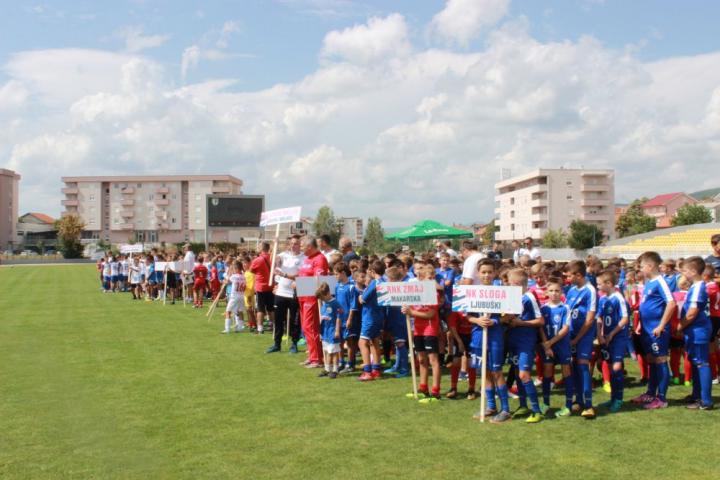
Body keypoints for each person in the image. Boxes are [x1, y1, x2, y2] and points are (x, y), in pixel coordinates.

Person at [467, 259, 511, 423]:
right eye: (483, 272)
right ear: (478, 273)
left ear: (495, 273)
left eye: (489, 272)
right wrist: (477, 321)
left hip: (495, 337)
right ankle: (491, 406)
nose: (486, 275)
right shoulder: (472, 292)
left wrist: (495, 322)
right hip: (478, 336)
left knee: (496, 371)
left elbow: (509, 315)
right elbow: (468, 315)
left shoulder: (502, 291)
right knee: (484, 372)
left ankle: (505, 409)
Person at [631, 251, 676, 410]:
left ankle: (662, 398)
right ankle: (650, 393)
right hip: (647, 329)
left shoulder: (660, 282)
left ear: (650, 266)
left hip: (657, 330)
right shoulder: (649, 282)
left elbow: (671, 304)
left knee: (660, 360)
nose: (640, 270)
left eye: (642, 266)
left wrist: (661, 325)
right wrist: (640, 324)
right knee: (651, 360)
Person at [504, 268, 545, 423]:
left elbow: (540, 321)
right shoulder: (514, 297)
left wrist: (520, 323)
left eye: (510, 283)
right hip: (513, 340)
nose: (508, 285)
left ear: (517, 283)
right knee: (516, 374)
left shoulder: (529, 297)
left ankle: (537, 410)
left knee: (524, 375)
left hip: (525, 342)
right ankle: (523, 405)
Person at [402, 264, 442, 404]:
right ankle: (423, 387)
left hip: (430, 329)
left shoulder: (435, 294)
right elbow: (410, 308)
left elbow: (430, 314)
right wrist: (406, 309)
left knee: (433, 361)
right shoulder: (416, 293)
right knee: (421, 360)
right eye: (428, 278)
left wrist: (412, 312)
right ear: (421, 279)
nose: (431, 281)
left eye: (433, 278)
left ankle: (436, 391)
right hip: (418, 329)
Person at [678, 256, 714, 409]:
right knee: (695, 362)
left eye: (685, 270)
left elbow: (692, 313)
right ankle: (696, 395)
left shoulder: (699, 287)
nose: (683, 273)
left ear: (693, 271)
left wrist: (680, 326)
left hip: (698, 330)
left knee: (701, 362)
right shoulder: (695, 286)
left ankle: (705, 401)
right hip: (693, 329)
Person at [565, 260, 598, 419]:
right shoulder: (571, 290)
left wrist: (577, 338)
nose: (567, 278)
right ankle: (578, 399)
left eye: (570, 275)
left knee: (583, 365)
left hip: (584, 336)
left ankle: (589, 405)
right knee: (573, 367)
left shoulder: (590, 290)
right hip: (571, 335)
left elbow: (590, 319)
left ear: (578, 275)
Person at [596, 269, 630, 413]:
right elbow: (599, 317)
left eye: (599, 284)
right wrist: (600, 334)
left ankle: (619, 399)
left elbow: (624, 318)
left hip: (618, 338)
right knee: (610, 368)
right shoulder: (603, 299)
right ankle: (613, 398)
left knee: (616, 368)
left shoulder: (619, 298)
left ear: (608, 283)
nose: (598, 287)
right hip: (606, 338)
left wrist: (612, 334)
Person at [539, 278, 574, 417]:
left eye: (557, 291)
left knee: (566, 372)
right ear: (547, 292)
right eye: (551, 291)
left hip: (562, 345)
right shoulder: (543, 308)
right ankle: (546, 403)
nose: (554, 293)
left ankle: (568, 405)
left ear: (561, 292)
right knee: (547, 372)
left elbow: (565, 328)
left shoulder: (565, 307)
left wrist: (550, 342)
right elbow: (540, 327)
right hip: (548, 346)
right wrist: (545, 344)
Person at [297, 237, 330, 368]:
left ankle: (317, 359)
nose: (301, 249)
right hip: (302, 296)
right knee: (306, 327)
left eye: (302, 246)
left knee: (311, 327)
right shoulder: (307, 259)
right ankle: (311, 356)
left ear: (309, 246)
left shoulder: (320, 259)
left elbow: (319, 280)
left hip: (312, 298)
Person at [268, 235, 304, 354]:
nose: (293, 246)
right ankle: (277, 344)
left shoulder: (303, 257)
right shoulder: (284, 255)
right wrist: (275, 245)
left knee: (294, 320)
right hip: (281, 292)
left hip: (294, 293)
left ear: (300, 245)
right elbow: (274, 262)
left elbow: (301, 276)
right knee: (278, 320)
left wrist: (285, 276)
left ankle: (294, 344)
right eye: (292, 243)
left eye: (296, 244)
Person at [357, 260, 385, 380]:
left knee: (362, 342)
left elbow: (363, 299)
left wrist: (359, 297)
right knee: (374, 341)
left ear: (373, 271)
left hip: (370, 316)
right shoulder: (384, 281)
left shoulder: (374, 283)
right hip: (379, 315)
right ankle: (376, 369)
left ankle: (367, 371)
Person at [382, 267, 410, 378]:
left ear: (392, 278)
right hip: (393, 318)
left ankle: (404, 369)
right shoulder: (391, 288)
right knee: (397, 343)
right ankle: (397, 366)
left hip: (400, 319)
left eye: (387, 278)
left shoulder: (401, 288)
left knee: (400, 343)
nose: (386, 280)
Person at [334, 262, 360, 374]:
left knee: (349, 342)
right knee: (339, 341)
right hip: (339, 319)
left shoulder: (351, 287)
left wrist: (349, 319)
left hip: (348, 319)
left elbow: (353, 305)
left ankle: (351, 363)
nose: (335, 276)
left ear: (343, 273)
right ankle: (341, 362)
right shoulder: (337, 286)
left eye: (336, 274)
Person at [316, 282, 343, 379]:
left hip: (332, 331)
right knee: (326, 350)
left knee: (334, 351)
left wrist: (337, 330)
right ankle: (327, 369)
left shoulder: (335, 303)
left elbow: (339, 317)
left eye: (323, 298)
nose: (322, 300)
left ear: (328, 293)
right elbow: (323, 317)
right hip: (325, 331)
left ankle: (335, 370)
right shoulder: (324, 302)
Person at [250, 242, 274, 335]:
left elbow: (252, 270)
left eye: (259, 246)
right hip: (270, 286)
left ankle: (260, 328)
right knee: (271, 308)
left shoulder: (258, 260)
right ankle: (273, 325)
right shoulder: (272, 258)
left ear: (261, 248)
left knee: (260, 308)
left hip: (261, 287)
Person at [222, 260, 246, 334]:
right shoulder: (243, 276)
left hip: (234, 296)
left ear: (236, 268)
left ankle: (227, 329)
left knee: (228, 311)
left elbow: (226, 280)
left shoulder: (234, 276)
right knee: (240, 311)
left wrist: (228, 273)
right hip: (241, 296)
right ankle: (240, 327)